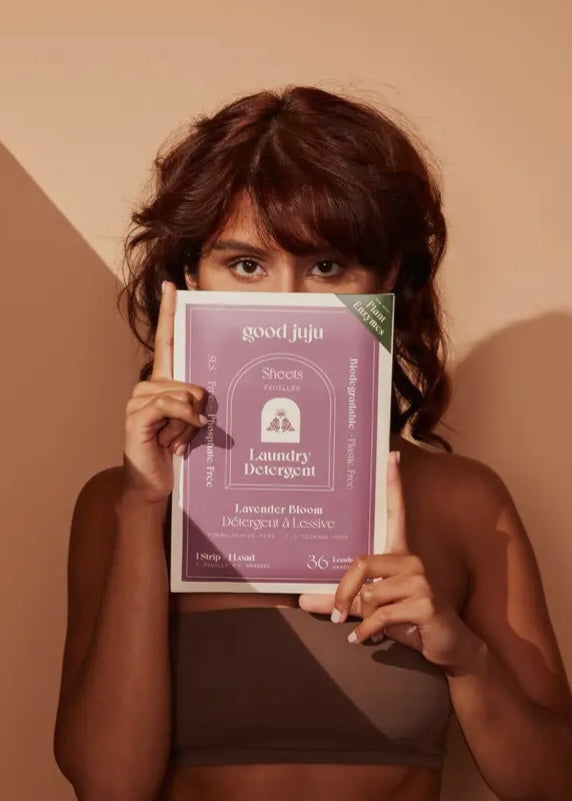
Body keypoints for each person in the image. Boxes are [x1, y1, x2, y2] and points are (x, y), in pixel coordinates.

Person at [53, 86, 572, 801]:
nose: (286, 304)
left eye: (327, 266)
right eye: (244, 265)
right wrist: (145, 509)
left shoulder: (462, 502)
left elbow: (554, 780)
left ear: (388, 278)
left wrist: (462, 655)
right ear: (188, 276)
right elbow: (108, 788)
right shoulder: (116, 505)